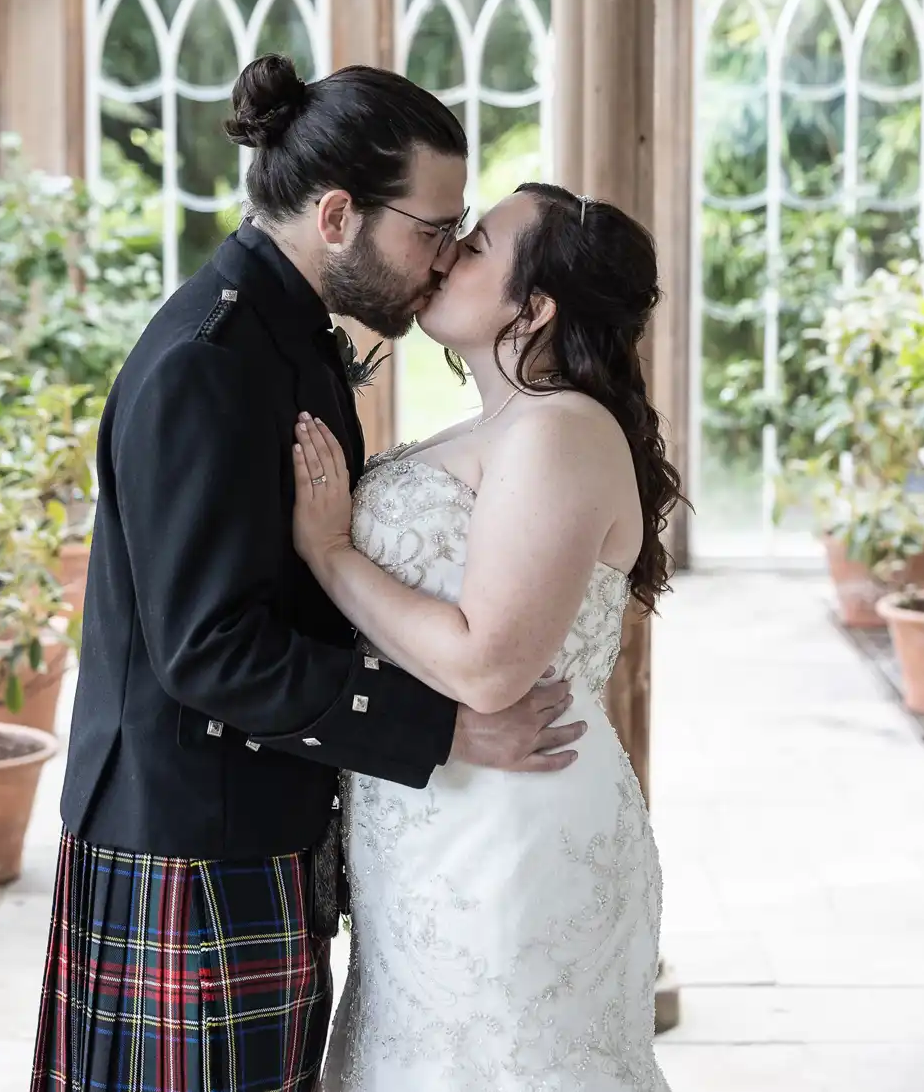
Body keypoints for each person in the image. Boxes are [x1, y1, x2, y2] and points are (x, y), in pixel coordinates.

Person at [30, 58, 586, 1092]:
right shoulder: (210, 357)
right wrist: (447, 728)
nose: (441, 258)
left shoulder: (284, 330)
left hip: (249, 820)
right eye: (431, 228)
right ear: (337, 214)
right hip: (191, 839)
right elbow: (209, 646)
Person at [289, 182, 682, 1092]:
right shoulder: (503, 426)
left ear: (534, 305)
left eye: (475, 246)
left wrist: (331, 549)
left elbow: (489, 663)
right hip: (439, 819)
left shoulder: (560, 431)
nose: (446, 253)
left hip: (509, 828)